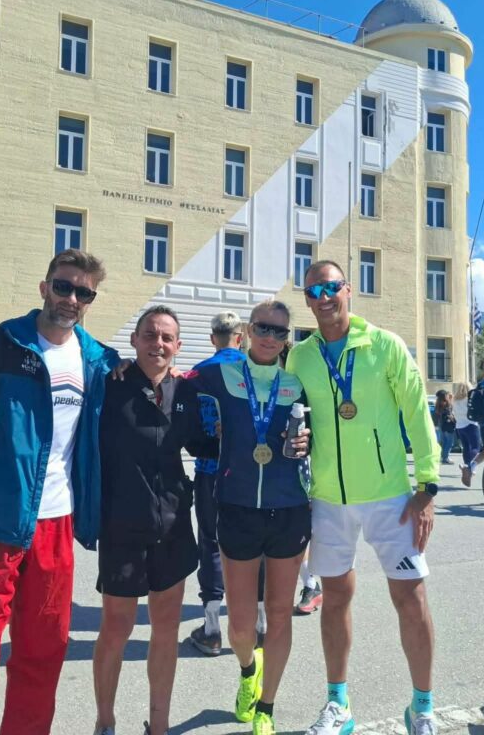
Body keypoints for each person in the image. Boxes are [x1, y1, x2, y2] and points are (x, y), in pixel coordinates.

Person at [0, 248, 118, 735]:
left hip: (57, 526)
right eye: (63, 286)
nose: (71, 298)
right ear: (44, 287)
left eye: (84, 293)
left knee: (43, 654)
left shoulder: (96, 360)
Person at [286, 261, 441, 735]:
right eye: (313, 290)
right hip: (327, 500)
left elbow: (417, 413)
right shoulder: (300, 357)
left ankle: (422, 708)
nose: (323, 297)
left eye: (331, 287)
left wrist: (427, 485)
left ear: (348, 290)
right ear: (306, 299)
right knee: (334, 598)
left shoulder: (384, 345)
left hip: (389, 496)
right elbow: (293, 417)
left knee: (411, 598)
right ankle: (339, 705)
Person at [186, 299, 312, 735]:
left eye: (280, 331)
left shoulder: (298, 383)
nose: (270, 337)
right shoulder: (220, 375)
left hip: (290, 509)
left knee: (279, 613)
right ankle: (247, 671)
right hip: (237, 508)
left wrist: (309, 443)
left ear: (287, 339)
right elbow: (171, 380)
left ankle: (267, 708)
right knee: (241, 627)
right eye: (263, 328)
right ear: (246, 331)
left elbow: (325, 433)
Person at [92, 305, 219, 735]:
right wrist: (111, 361)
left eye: (166, 338)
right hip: (121, 526)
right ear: (134, 340)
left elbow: (205, 445)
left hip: (173, 526)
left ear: (178, 346)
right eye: (149, 335)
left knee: (165, 630)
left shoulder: (186, 392)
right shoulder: (110, 385)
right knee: (116, 628)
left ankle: (159, 726)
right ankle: (105, 722)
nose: (157, 344)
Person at [187, 311, 249, 658]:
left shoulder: (197, 374)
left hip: (209, 470)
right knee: (252, 547)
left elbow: (186, 425)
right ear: (240, 337)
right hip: (249, 473)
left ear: (213, 338)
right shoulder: (253, 370)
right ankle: (257, 626)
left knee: (210, 543)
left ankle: (211, 629)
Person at [452, 382, 480, 487]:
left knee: (466, 447)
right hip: (471, 424)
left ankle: (466, 466)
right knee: (476, 447)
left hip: (459, 426)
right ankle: (468, 466)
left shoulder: (455, 400)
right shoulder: (469, 399)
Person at [432, 390, 456, 465]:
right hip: (448, 425)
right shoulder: (447, 404)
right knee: (449, 442)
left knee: (444, 442)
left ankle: (443, 457)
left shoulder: (437, 404)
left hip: (441, 425)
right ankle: (445, 458)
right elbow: (450, 414)